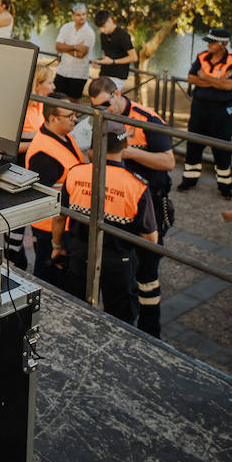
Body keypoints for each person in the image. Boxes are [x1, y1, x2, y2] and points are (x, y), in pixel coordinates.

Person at [88, 76, 175, 338]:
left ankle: (150, 332)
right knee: (123, 267)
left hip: (150, 203)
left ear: (116, 94)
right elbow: (93, 153)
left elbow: (168, 162)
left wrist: (129, 153)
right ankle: (124, 324)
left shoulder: (146, 118)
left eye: (104, 104)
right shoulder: (102, 117)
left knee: (148, 270)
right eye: (95, 107)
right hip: (119, 202)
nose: (102, 111)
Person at [56, 128, 159, 324]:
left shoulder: (75, 173)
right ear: (126, 146)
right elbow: (151, 239)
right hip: (119, 259)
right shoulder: (137, 186)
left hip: (80, 251)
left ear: (93, 148)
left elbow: (60, 217)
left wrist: (56, 246)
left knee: (78, 309)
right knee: (120, 315)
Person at [26, 93, 85, 288]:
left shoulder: (61, 136)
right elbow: (38, 196)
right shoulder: (44, 155)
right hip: (50, 231)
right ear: (53, 118)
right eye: (70, 116)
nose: (74, 119)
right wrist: (56, 242)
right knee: (49, 279)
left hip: (62, 226)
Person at [179, 28, 232, 198]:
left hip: (221, 112)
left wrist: (204, 78)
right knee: (193, 144)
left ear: (223, 44)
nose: (208, 45)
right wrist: (217, 81)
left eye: (212, 42)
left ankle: (225, 185)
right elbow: (191, 78)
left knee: (222, 148)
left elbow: (229, 86)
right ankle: (189, 180)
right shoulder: (201, 57)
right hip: (199, 108)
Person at [53, 3, 93, 101]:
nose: (82, 17)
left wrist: (65, 49)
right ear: (73, 16)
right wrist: (75, 47)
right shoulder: (66, 27)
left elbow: (81, 54)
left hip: (78, 74)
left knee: (73, 104)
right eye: (78, 15)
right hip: (62, 71)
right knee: (56, 100)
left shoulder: (89, 33)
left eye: (84, 14)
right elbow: (58, 46)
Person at [94, 10, 136, 90]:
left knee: (106, 100)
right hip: (103, 74)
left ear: (110, 21)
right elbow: (106, 55)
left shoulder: (123, 35)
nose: (102, 30)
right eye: (100, 27)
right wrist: (99, 61)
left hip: (117, 77)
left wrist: (113, 61)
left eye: (104, 26)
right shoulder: (103, 35)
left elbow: (134, 57)